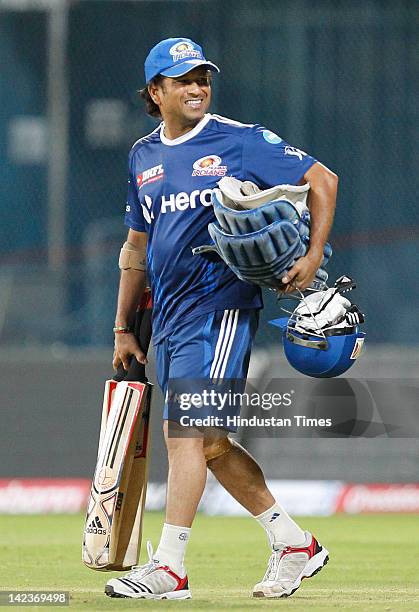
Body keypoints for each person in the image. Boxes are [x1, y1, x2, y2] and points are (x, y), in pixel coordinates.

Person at [106, 37, 338, 600]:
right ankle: (294, 544)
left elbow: (323, 180)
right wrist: (122, 326)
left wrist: (310, 258)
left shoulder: (239, 140)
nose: (197, 88)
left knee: (182, 433)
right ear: (155, 92)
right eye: (183, 80)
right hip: (169, 318)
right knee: (209, 444)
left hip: (220, 311)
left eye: (202, 78)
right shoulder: (143, 157)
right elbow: (138, 247)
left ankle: (170, 568)